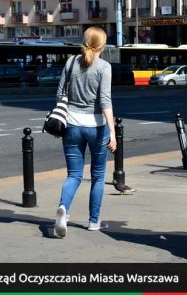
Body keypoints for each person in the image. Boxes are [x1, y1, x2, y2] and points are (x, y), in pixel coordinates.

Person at [54, 27, 117, 238]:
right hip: (97, 127)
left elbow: (59, 94)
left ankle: (64, 208)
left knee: (73, 174)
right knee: (98, 176)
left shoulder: (71, 62)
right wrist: (112, 132)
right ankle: (93, 221)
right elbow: (105, 101)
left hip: (71, 125)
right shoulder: (104, 67)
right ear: (102, 45)